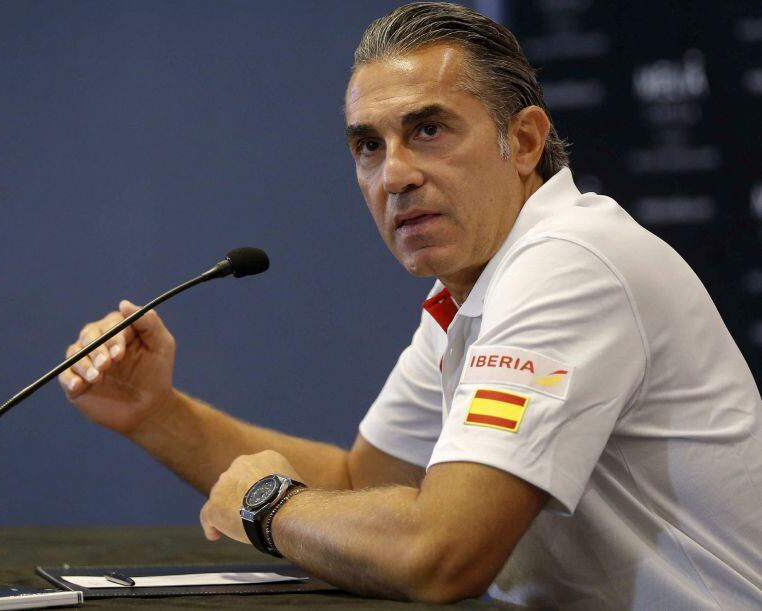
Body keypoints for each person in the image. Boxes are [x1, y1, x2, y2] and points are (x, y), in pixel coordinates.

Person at [59, 3, 761, 607]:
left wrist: (268, 505)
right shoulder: (474, 284)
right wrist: (154, 412)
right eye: (369, 145)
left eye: (428, 129)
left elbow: (441, 552)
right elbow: (362, 484)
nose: (394, 174)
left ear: (523, 142)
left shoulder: (568, 264)